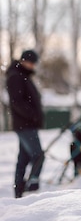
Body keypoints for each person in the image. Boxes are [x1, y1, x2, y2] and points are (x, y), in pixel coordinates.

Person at [6, 49, 45, 198]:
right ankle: (31, 186)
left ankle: (19, 192)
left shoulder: (23, 76)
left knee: (23, 158)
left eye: (33, 63)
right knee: (38, 155)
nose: (32, 66)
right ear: (23, 61)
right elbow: (17, 102)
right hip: (25, 124)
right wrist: (33, 115)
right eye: (30, 62)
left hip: (27, 124)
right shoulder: (16, 77)